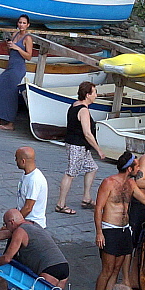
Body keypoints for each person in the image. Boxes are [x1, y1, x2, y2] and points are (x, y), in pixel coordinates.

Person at [93, 154, 141, 290]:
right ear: (129, 168)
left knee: (116, 270)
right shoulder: (108, 183)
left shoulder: (131, 184)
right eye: (137, 166)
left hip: (124, 230)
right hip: (110, 229)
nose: (139, 168)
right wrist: (99, 232)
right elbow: (98, 208)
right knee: (107, 270)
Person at [0, 210, 68, 288]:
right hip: (64, 266)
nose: (5, 227)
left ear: (12, 222)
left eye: (5, 224)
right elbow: (4, 234)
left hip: (49, 269)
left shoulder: (19, 231)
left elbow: (7, 258)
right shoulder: (32, 224)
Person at [56, 81, 105, 215]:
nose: (96, 95)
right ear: (88, 95)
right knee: (70, 173)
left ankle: (86, 198)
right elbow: (87, 133)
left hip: (80, 146)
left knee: (92, 168)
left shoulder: (75, 105)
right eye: (94, 92)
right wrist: (98, 149)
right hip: (77, 146)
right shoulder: (83, 110)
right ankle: (60, 204)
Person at [0, 15, 33, 130]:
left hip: (18, 69)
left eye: (24, 23)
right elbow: (11, 53)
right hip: (10, 67)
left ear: (28, 25)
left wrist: (18, 48)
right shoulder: (14, 35)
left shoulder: (27, 38)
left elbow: (29, 56)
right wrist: (9, 47)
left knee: (11, 95)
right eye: (20, 22)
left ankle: (10, 123)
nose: (21, 25)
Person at [14, 146, 49, 228]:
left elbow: (28, 208)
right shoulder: (27, 174)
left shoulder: (34, 180)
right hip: (25, 218)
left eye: (16, 158)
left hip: (32, 222)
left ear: (23, 161)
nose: (15, 161)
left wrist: (16, 221)